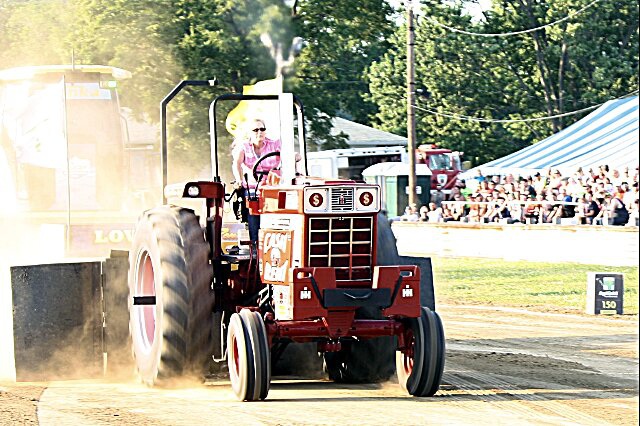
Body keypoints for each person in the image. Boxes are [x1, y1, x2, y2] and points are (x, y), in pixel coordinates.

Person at [232, 118, 282, 241]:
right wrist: (239, 180)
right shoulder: (244, 147)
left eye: (262, 129)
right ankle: (255, 242)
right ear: (249, 132)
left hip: (272, 186)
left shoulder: (275, 144)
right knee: (253, 201)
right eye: (255, 130)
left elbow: (289, 154)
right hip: (253, 187)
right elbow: (237, 164)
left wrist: (295, 157)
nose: (259, 132)